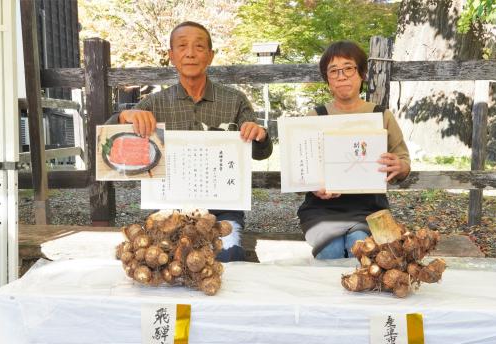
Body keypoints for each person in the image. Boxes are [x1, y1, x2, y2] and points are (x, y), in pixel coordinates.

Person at [107, 21, 272, 262]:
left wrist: (259, 134)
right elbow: (108, 149)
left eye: (199, 47)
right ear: (172, 56)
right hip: (167, 210)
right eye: (182, 46)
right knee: (161, 262)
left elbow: (261, 153)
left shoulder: (235, 101)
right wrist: (123, 116)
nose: (191, 53)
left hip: (222, 211)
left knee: (228, 256)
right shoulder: (153, 104)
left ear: (210, 56)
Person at [297, 40, 410, 260]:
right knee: (330, 250)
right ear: (327, 80)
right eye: (333, 71)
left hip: (370, 209)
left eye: (349, 68)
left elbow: (403, 161)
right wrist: (313, 186)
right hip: (322, 209)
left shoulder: (381, 115)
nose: (342, 76)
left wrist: (400, 166)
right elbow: (302, 169)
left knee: (359, 244)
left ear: (361, 74)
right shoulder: (316, 117)